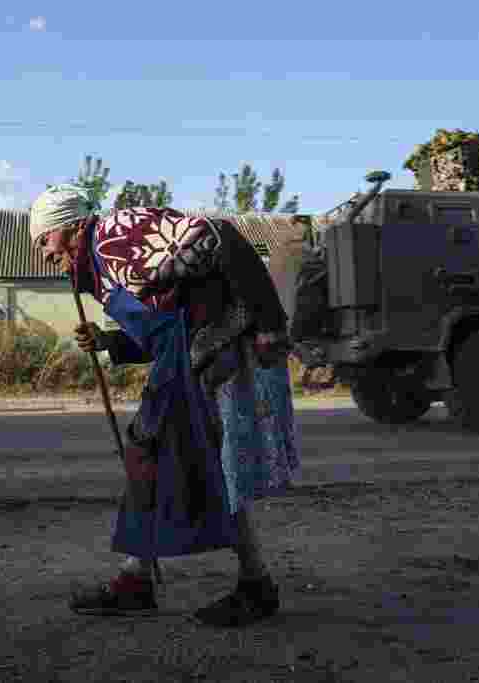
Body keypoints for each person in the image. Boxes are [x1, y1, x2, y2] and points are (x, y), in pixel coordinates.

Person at [30, 185, 300, 627]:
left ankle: (252, 584)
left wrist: (270, 321)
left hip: (215, 353)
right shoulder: (101, 273)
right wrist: (110, 342)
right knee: (157, 457)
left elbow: (222, 236)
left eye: (45, 240)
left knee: (204, 462)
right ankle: (142, 578)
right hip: (184, 361)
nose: (43, 254)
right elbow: (164, 331)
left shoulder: (116, 235)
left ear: (73, 227)